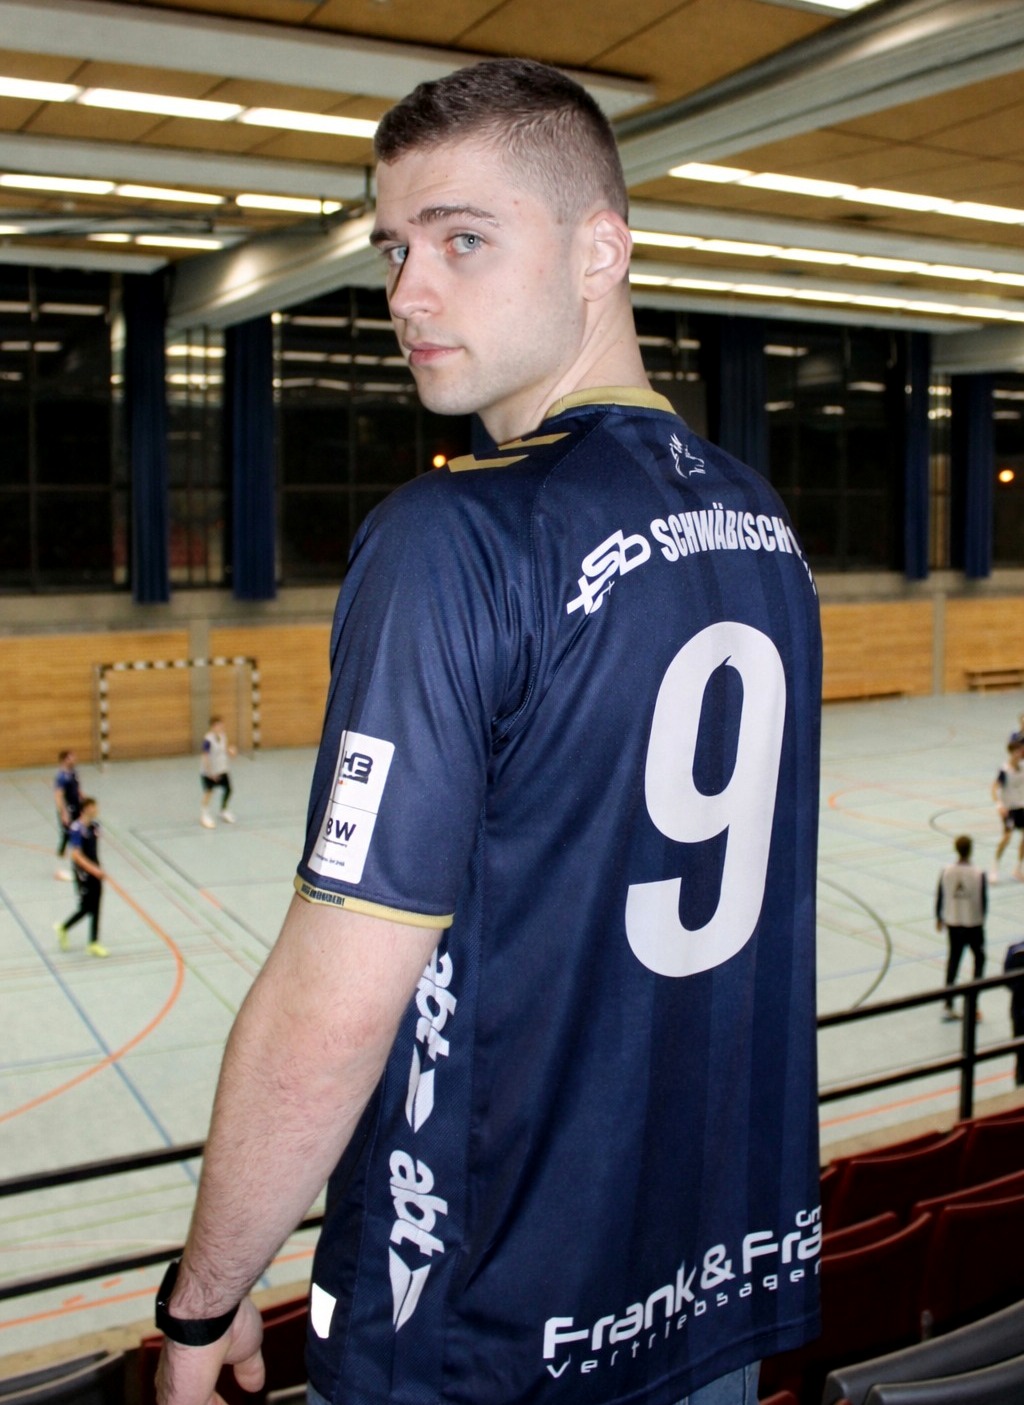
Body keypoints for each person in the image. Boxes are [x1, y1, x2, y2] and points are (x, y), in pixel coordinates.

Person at [155, 58, 822, 1405]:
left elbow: (339, 995)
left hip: (485, 1330)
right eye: (393, 249)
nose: (407, 293)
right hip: (707, 1305)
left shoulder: (454, 537)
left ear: (600, 250)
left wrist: (204, 1296)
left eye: (462, 239)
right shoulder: (759, 524)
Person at [936, 835, 987, 1021]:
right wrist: (981, 921)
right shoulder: (978, 873)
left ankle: (948, 1003)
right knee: (979, 960)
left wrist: (939, 917)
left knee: (953, 961)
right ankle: (973, 1004)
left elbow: (940, 895)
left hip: (954, 922)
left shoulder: (947, 871)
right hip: (973, 924)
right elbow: (984, 901)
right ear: (970, 850)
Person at [54, 796, 108, 958]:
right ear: (86, 809)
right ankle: (63, 927)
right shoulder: (77, 829)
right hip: (84, 874)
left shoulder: (95, 826)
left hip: (95, 870)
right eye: (93, 807)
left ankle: (93, 943)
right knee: (86, 908)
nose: (96, 810)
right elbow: (76, 855)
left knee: (96, 906)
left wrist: (98, 868)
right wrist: (93, 870)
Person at [991, 740, 1024, 882]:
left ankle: (1018, 869)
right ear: (1011, 752)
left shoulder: (1022, 767)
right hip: (1009, 809)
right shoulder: (1004, 770)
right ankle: (995, 867)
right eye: (1017, 751)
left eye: (1021, 751)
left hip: (1021, 806)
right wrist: (999, 805)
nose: (1020, 753)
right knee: (1007, 838)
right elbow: (994, 788)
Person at [199, 717, 236, 828]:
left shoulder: (223, 736)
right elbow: (205, 757)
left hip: (222, 769)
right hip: (209, 771)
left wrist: (230, 751)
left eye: (222, 725)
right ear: (213, 727)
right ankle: (204, 815)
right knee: (209, 793)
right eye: (219, 725)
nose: (221, 727)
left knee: (228, 789)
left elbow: (223, 750)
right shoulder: (208, 740)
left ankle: (223, 810)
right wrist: (210, 773)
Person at [53, 748, 82, 880]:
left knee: (77, 834)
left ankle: (76, 864)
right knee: (66, 836)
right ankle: (60, 866)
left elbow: (77, 789)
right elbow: (58, 796)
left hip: (77, 807)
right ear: (64, 760)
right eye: (71, 757)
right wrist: (63, 813)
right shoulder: (61, 777)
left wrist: (83, 800)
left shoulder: (73, 773)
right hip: (68, 809)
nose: (74, 759)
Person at [1004, 939, 1024, 1086]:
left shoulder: (1014, 950)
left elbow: (1007, 982)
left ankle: (1020, 1085)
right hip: (1019, 1010)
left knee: (1021, 1056)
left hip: (1019, 1009)